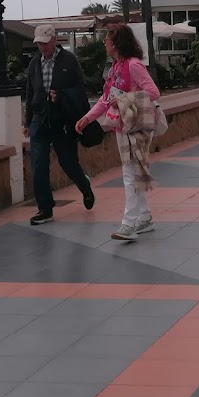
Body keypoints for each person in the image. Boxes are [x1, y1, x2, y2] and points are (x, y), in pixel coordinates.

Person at [76, 23, 161, 241]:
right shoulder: (115, 68)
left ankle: (129, 224)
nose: (104, 43)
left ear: (116, 43)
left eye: (107, 39)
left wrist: (123, 99)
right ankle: (144, 217)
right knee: (133, 171)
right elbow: (106, 100)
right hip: (123, 126)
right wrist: (87, 118)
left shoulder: (132, 66)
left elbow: (153, 92)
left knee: (129, 174)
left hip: (135, 127)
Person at [22, 24, 96, 226]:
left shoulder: (69, 61)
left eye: (45, 43)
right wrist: (28, 121)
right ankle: (45, 209)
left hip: (62, 119)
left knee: (68, 162)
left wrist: (61, 97)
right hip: (40, 118)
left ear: (54, 40)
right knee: (38, 165)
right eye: (39, 43)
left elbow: (82, 89)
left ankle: (84, 186)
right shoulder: (34, 63)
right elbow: (30, 92)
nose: (42, 47)